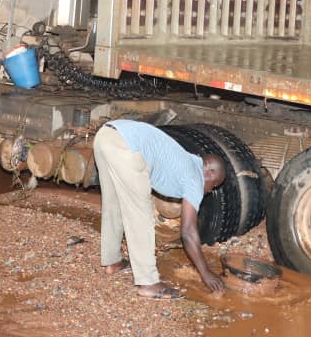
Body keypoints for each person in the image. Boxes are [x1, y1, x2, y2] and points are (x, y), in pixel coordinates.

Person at [93, 118, 226, 299]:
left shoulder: (187, 160)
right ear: (209, 172)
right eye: (215, 185)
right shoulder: (196, 178)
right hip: (127, 145)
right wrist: (206, 273)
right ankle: (149, 283)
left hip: (106, 136)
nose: (211, 190)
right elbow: (188, 231)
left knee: (113, 204)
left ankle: (112, 262)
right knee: (141, 215)